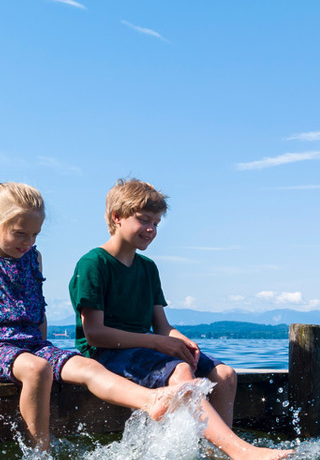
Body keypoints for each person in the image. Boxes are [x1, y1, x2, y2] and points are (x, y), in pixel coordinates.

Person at [0, 181, 291, 460]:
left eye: (34, 235)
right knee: (38, 368)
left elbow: (39, 309)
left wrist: (178, 340)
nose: (28, 242)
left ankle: (161, 409)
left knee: (87, 367)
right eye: (20, 233)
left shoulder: (36, 257)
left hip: (32, 343)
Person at [69, 178, 240, 428]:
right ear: (117, 217)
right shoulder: (94, 263)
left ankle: (217, 455)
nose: (151, 229)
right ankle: (228, 448)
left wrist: (180, 340)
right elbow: (94, 334)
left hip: (145, 348)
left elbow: (162, 326)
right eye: (143, 220)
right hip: (105, 355)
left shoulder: (148, 268)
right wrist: (157, 342)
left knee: (225, 375)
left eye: (156, 223)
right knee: (181, 371)